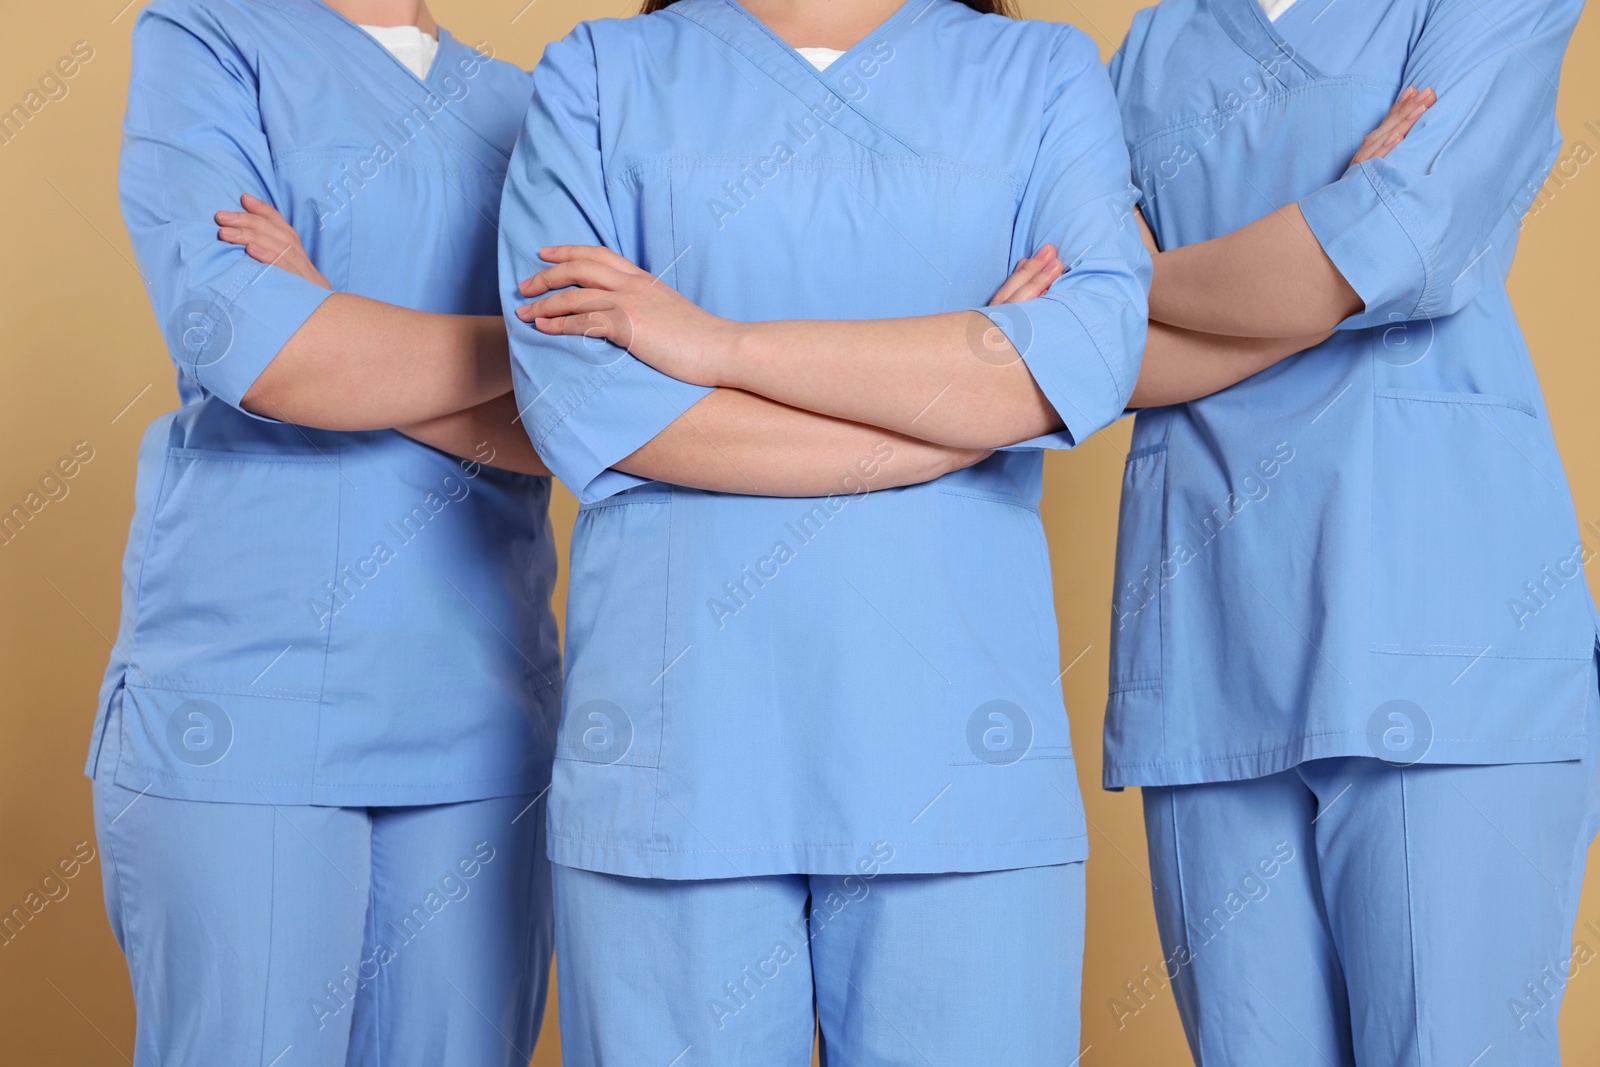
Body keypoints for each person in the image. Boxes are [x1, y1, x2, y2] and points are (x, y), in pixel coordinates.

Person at [498, 0, 1149, 1062]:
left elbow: (1084, 349)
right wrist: (946, 416)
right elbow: (585, 400)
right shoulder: (599, 75)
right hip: (683, 755)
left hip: (951, 761)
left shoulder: (1039, 72)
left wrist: (717, 344)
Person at [1103, 0, 1599, 1062]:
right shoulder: (1150, 47)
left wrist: (1145, 283)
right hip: (1207, 630)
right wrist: (1324, 231)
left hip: (1441, 621)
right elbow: (1080, 347)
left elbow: (1410, 234)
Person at [90, 2, 559, 1063]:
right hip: (247, 688)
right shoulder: (207, 39)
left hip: (474, 701)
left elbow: (584, 420)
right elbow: (254, 349)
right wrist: (533, 348)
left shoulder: (531, 105)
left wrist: (329, 311)